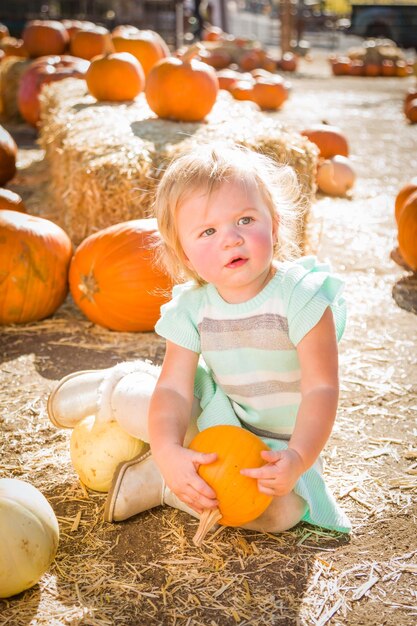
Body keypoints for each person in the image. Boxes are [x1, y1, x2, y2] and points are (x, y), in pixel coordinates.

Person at [48, 143, 351, 535]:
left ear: (273, 224)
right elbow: (174, 390)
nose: (231, 239)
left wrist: (297, 457)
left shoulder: (303, 297)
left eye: (244, 220)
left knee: (278, 516)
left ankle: (161, 483)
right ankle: (113, 388)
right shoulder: (193, 307)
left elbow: (321, 390)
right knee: (147, 406)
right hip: (216, 413)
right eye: (208, 231)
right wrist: (170, 450)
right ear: (185, 256)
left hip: (277, 446)